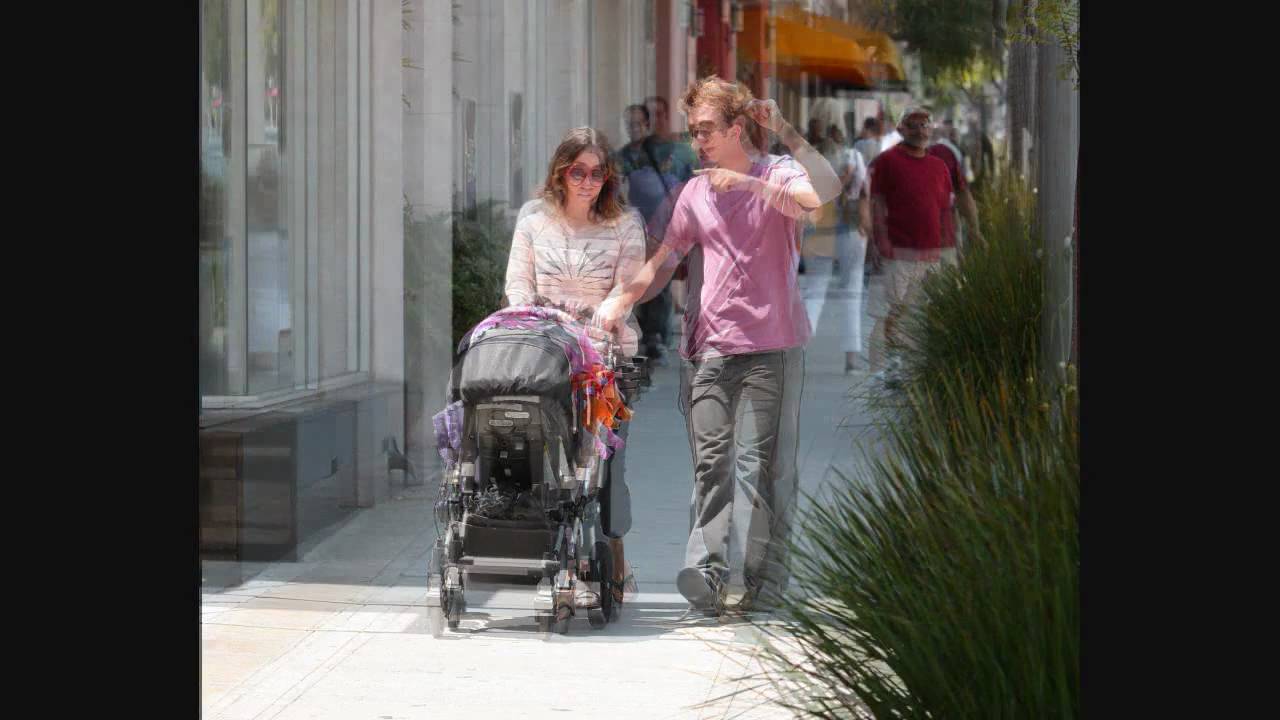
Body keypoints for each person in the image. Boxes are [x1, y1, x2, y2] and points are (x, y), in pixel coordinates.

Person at [594, 77, 838, 615]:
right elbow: (660, 263)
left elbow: (821, 196)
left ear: (735, 128)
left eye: (706, 130)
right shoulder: (694, 193)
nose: (697, 141)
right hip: (707, 349)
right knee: (712, 464)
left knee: (761, 469)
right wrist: (619, 302)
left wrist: (766, 159)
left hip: (772, 348)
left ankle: (763, 584)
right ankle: (707, 573)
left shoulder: (778, 172)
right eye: (693, 131)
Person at [505, 127, 645, 609]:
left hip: (603, 355)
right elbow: (518, 284)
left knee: (602, 465)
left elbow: (625, 292)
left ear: (608, 178)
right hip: (544, 348)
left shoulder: (625, 224)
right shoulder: (533, 218)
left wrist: (603, 319)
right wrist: (533, 320)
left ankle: (609, 555)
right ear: (560, 173)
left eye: (597, 173)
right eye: (577, 172)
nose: (587, 182)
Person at [865, 106, 956, 376]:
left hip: (932, 255)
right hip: (898, 252)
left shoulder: (939, 167)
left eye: (924, 124)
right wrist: (879, 243)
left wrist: (950, 249)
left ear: (931, 129)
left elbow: (945, 211)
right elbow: (876, 204)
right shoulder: (887, 162)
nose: (919, 130)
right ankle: (891, 366)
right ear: (901, 129)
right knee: (893, 312)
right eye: (913, 125)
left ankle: (913, 368)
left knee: (919, 314)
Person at [927, 119, 984, 251]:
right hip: (943, 226)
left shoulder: (954, 151)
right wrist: (974, 228)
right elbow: (963, 191)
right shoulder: (947, 152)